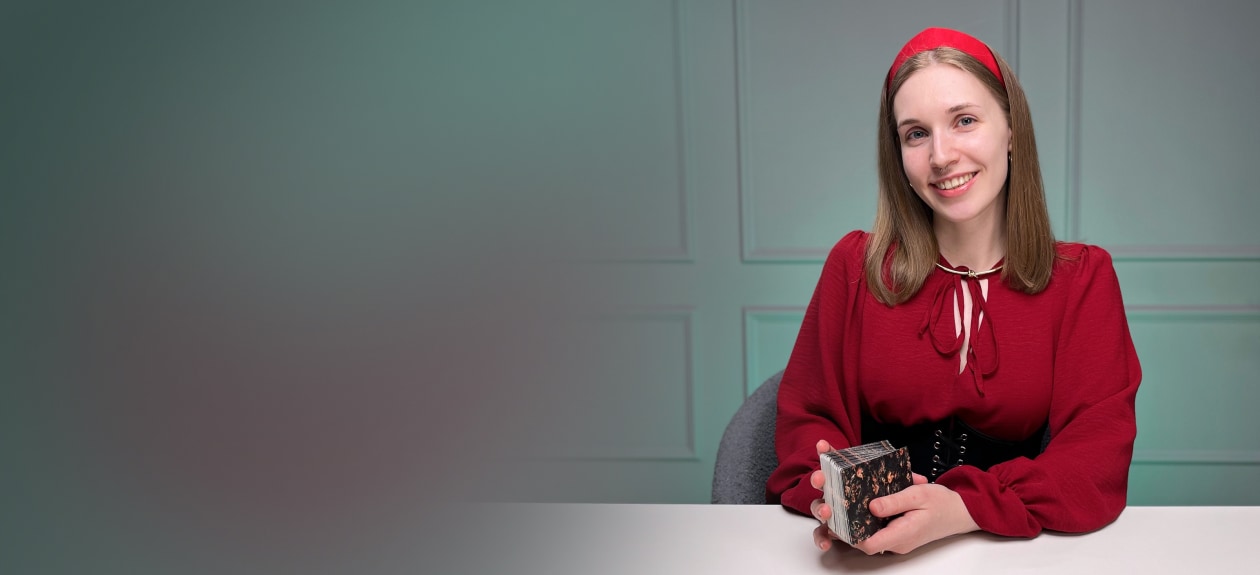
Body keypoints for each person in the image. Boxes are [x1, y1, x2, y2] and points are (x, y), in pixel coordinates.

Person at [765, 27, 1142, 555]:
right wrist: (840, 501)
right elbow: (809, 421)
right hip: (874, 555)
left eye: (964, 120)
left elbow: (1095, 457)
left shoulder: (1082, 277)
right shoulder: (854, 265)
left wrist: (962, 509)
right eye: (916, 134)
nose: (941, 155)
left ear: (1011, 131)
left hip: (1011, 552)